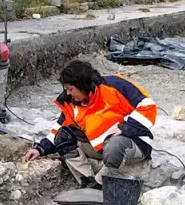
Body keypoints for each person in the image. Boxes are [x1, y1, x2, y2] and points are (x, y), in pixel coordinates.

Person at [21, 59, 158, 188]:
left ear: (83, 85)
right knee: (63, 137)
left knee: (115, 144)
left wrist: (126, 128)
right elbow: (59, 129)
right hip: (98, 148)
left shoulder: (115, 86)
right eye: (66, 89)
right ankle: (87, 180)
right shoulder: (72, 102)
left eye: (71, 89)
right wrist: (40, 149)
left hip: (130, 144)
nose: (68, 93)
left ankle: (101, 184)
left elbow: (148, 105)